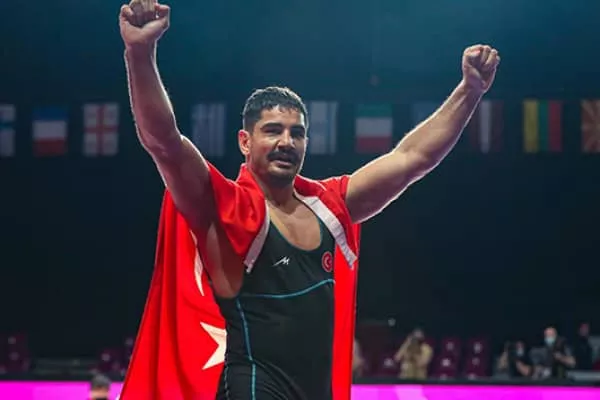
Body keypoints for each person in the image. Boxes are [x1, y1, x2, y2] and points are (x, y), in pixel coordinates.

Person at [117, 1, 500, 399]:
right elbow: (165, 143)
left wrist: (469, 91)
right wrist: (140, 53)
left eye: (297, 133)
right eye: (273, 131)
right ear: (245, 142)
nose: (287, 142)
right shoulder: (226, 207)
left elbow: (411, 159)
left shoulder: (328, 206)